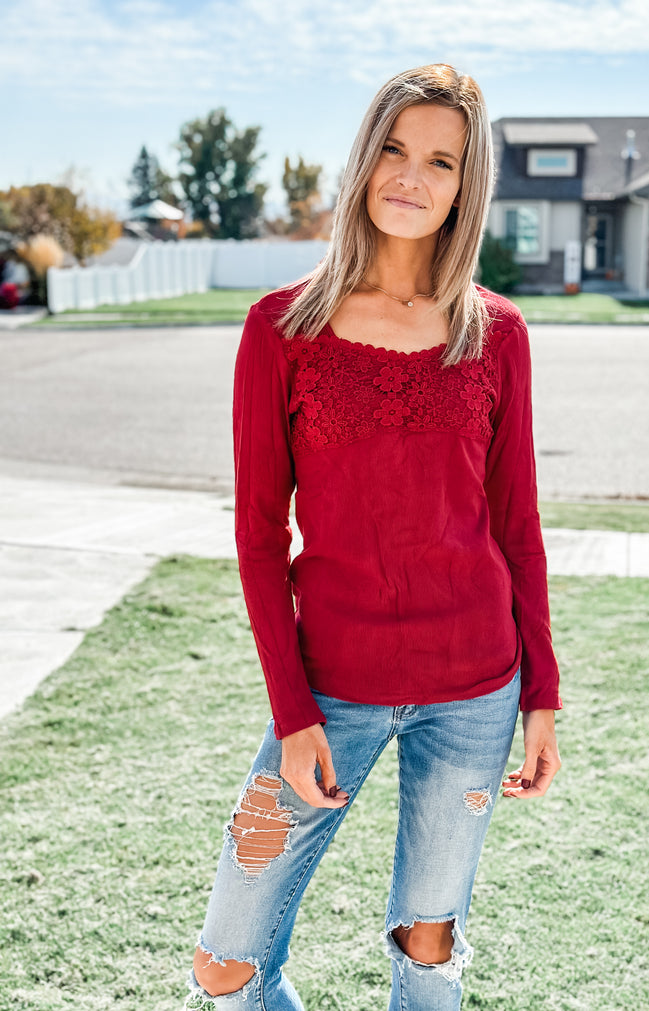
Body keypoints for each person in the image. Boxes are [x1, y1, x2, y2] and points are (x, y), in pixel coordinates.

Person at [186, 63, 561, 1011]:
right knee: (227, 963)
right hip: (328, 686)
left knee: (427, 946)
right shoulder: (280, 328)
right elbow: (258, 535)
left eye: (441, 161)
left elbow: (517, 524)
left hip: (474, 686)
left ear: (465, 187)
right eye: (394, 148)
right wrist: (292, 712)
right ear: (363, 159)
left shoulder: (497, 333)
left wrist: (542, 695)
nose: (410, 175)